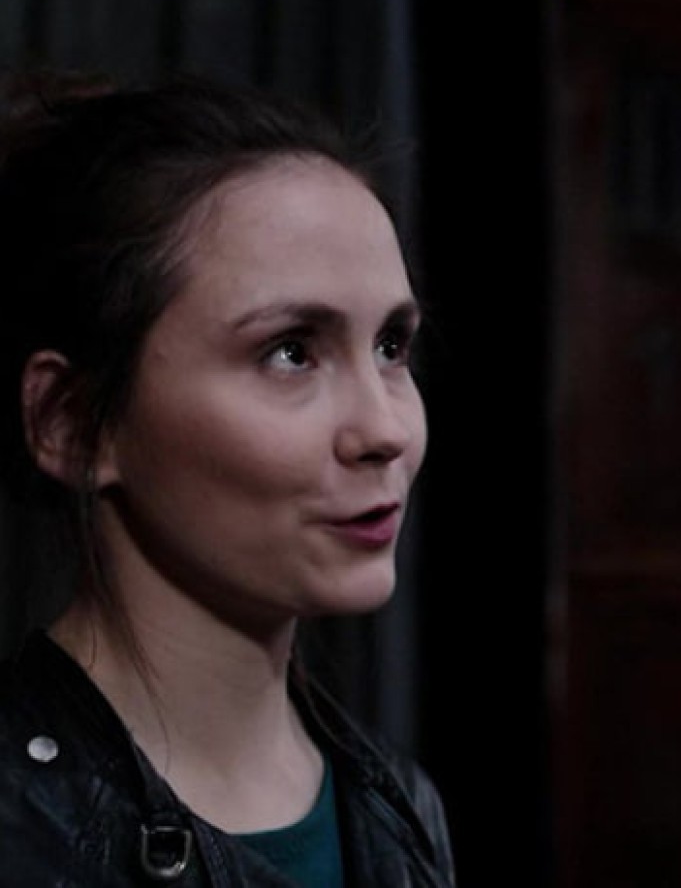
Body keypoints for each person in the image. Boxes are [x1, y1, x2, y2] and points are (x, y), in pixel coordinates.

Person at [0, 72, 455, 886]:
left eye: (391, 346)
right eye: (291, 351)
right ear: (70, 420)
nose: (386, 429)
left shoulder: (401, 806)